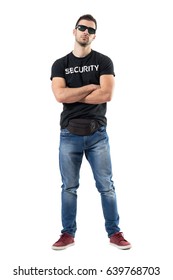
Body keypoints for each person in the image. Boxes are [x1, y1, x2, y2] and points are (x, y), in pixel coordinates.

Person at [50, 14, 131, 250]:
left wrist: (73, 93)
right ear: (74, 31)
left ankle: (114, 233)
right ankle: (67, 234)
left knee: (106, 186)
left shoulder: (104, 62)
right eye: (81, 27)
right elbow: (59, 96)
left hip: (98, 136)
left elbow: (106, 95)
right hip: (69, 135)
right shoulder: (60, 64)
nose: (85, 31)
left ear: (94, 35)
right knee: (69, 187)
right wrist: (88, 87)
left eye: (90, 29)